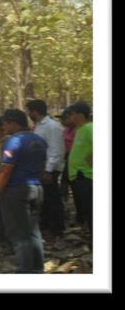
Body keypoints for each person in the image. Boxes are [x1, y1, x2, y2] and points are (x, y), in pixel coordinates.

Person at [0, 109, 47, 273]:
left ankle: (24, 271)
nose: (4, 128)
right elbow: (42, 167)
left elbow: (5, 171)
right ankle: (37, 269)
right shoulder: (39, 140)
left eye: (5, 124)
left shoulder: (13, 141)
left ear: (13, 123)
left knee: (18, 234)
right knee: (33, 231)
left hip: (17, 190)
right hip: (37, 188)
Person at [26, 99, 66, 238]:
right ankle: (46, 226)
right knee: (43, 199)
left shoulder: (52, 126)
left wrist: (49, 171)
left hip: (50, 169)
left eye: (29, 111)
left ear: (34, 111)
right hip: (40, 168)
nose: (28, 114)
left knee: (52, 199)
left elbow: (56, 150)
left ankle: (57, 228)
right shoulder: (38, 126)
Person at [65, 101, 93, 247]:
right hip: (78, 176)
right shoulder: (80, 129)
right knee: (86, 209)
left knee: (91, 210)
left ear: (80, 114)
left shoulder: (90, 128)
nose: (70, 117)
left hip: (86, 177)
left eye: (72, 114)